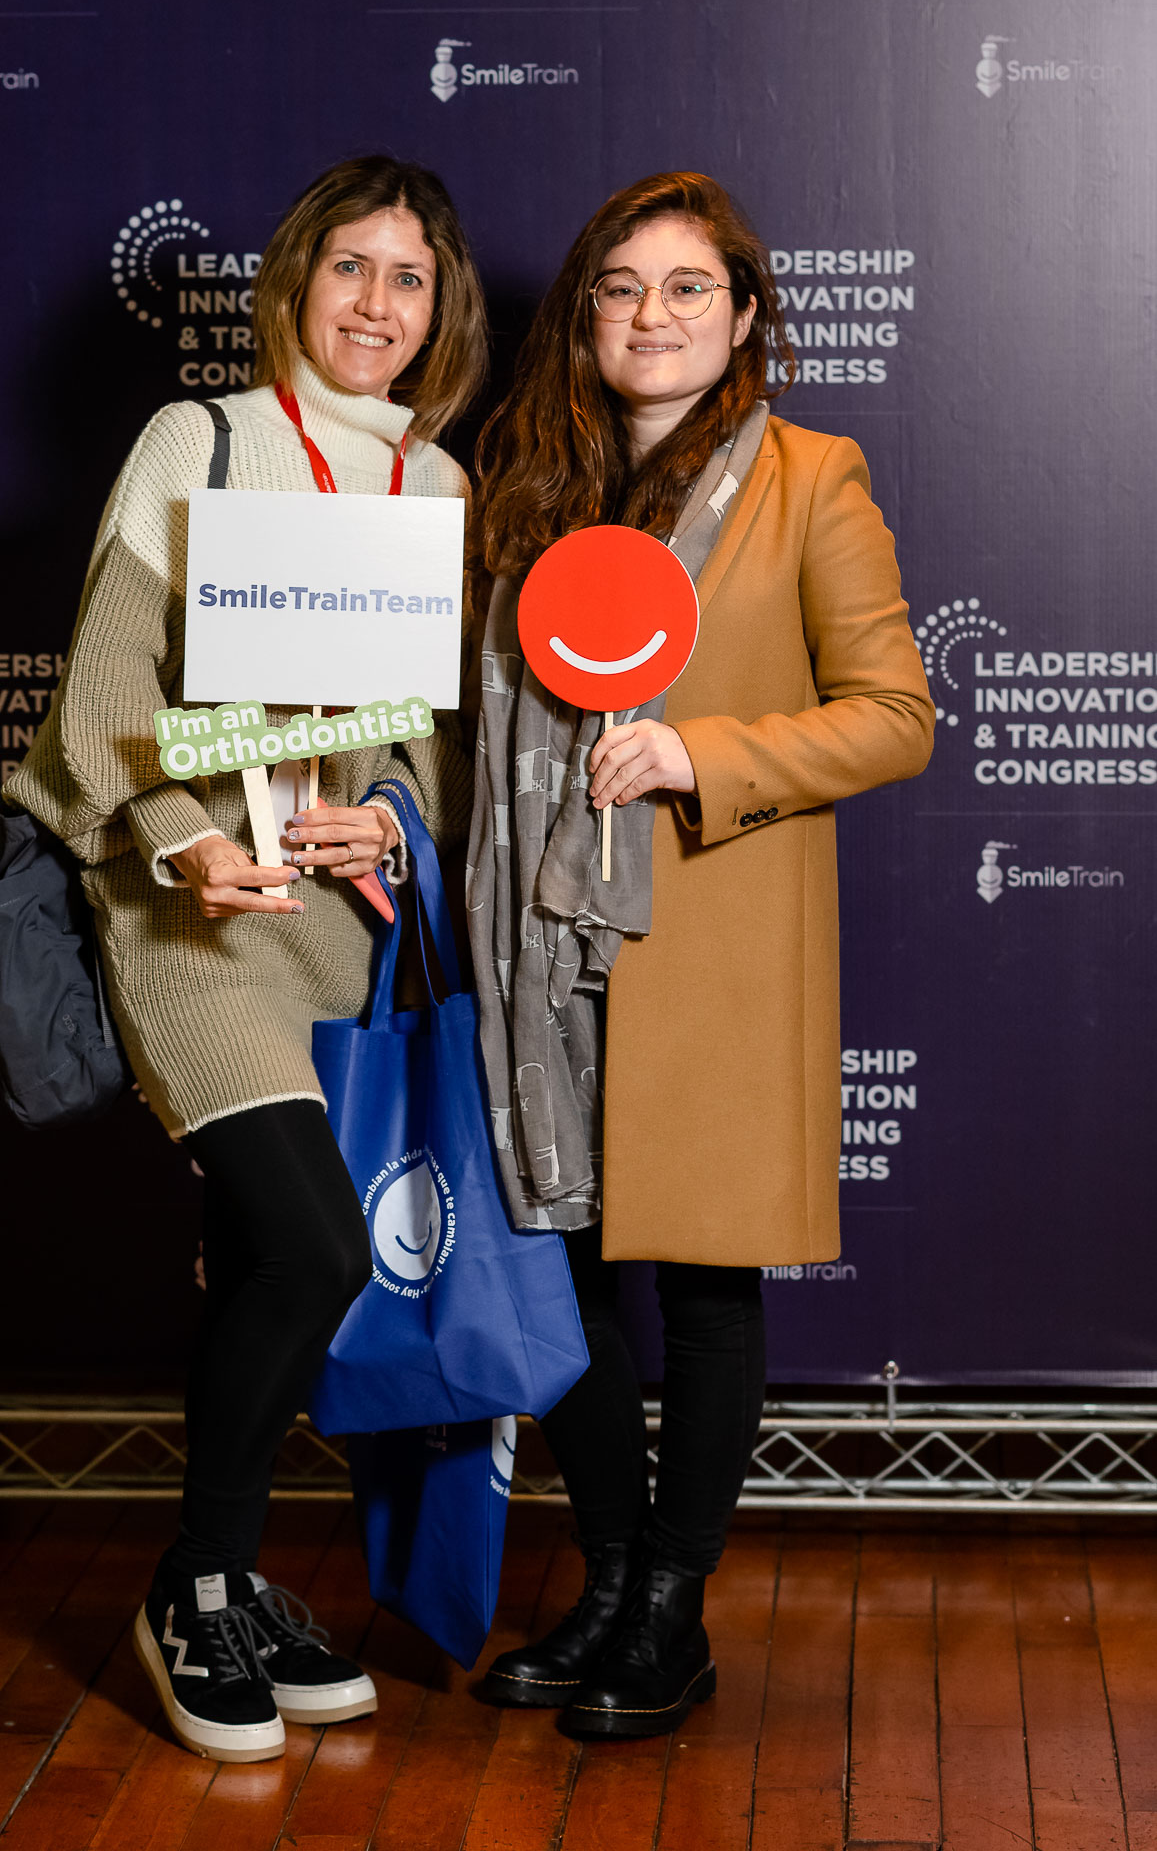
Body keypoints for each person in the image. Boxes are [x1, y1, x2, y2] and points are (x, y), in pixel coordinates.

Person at [7, 157, 486, 1763]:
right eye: (348, 267)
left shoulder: (435, 485)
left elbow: (409, 746)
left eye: (406, 278)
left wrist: (388, 830)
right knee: (315, 1250)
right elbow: (97, 707)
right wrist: (182, 839)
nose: (375, 304)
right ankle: (196, 1585)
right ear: (294, 281)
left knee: (280, 1270)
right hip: (191, 918)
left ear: (439, 309)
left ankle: (227, 1576)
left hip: (330, 933)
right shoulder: (199, 440)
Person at [467, 171, 933, 1739]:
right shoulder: (525, 479)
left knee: (707, 1287)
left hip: (709, 935)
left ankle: (673, 1606)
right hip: (536, 940)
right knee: (573, 1272)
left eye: (683, 287)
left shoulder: (812, 477)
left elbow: (891, 716)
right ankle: (602, 1583)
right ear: (582, 315)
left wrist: (697, 758)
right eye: (616, 287)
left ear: (741, 314)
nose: (647, 316)